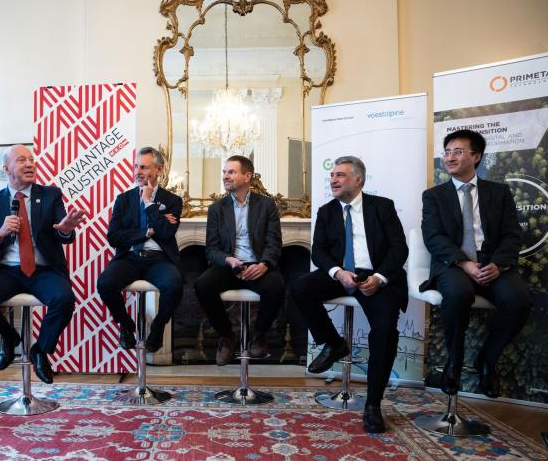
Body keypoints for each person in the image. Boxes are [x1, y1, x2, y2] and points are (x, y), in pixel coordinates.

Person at [291, 156, 408, 433]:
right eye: (332, 175)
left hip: (376, 276)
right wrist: (338, 273)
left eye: (340, 175)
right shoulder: (326, 211)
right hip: (342, 273)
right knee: (299, 287)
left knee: (384, 330)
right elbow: (319, 252)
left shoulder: (382, 206)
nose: (333, 179)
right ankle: (334, 343)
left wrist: (379, 278)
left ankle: (373, 404)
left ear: (358, 180)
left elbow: (399, 249)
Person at [421, 129, 530, 398]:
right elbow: (433, 237)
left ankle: (487, 360)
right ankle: (453, 363)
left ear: (476, 156)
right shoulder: (434, 196)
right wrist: (464, 263)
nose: (450, 157)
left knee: (519, 300)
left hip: (491, 263)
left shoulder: (499, 193)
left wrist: (498, 265)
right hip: (454, 264)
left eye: (458, 152)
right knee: (458, 294)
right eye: (447, 152)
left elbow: (512, 235)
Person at [0, 144, 86, 383]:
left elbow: (64, 232)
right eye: (22, 160)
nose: (30, 164)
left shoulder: (51, 195)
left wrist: (65, 230)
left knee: (64, 300)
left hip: (43, 270)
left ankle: (40, 350)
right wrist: (0, 233)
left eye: (31, 159)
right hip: (6, 271)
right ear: (6, 168)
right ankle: (8, 337)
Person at [194, 155, 284, 366]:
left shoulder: (267, 205)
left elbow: (274, 243)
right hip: (229, 265)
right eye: (224, 172)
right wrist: (229, 260)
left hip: (257, 264)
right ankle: (227, 336)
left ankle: (259, 334)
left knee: (277, 287)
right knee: (202, 285)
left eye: (231, 172)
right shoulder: (217, 208)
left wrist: (264, 264)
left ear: (247, 176)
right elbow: (211, 250)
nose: (225, 176)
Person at [97, 146, 183, 354]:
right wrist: (149, 230)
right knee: (105, 283)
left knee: (174, 286)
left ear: (159, 169)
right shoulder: (123, 199)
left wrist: (148, 203)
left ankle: (158, 328)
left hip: (160, 260)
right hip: (130, 257)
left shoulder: (173, 201)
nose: (138, 172)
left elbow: (166, 233)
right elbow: (114, 237)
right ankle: (126, 325)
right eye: (136, 166)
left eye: (144, 167)